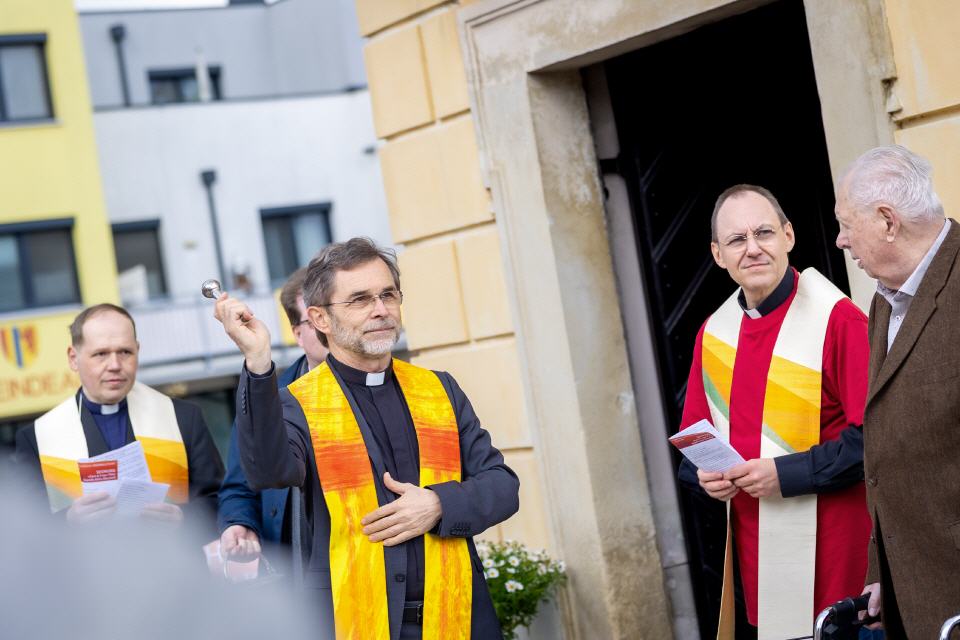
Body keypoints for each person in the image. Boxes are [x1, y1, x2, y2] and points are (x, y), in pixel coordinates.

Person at [214, 237, 519, 639]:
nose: (380, 310)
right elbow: (268, 473)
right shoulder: (298, 403)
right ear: (319, 319)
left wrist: (438, 504)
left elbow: (502, 486)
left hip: (456, 613)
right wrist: (257, 362)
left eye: (388, 295)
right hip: (351, 619)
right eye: (360, 299)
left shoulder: (439, 389)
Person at [679, 185, 872, 639]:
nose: (752, 248)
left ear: (788, 235)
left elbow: (876, 438)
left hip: (842, 562)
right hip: (764, 565)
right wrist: (703, 477)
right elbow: (693, 440)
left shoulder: (838, 320)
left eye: (763, 232)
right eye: (736, 240)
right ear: (717, 254)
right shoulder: (714, 333)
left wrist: (784, 475)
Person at [835, 144, 960, 639]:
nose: (842, 240)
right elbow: (889, 456)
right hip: (913, 595)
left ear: (888, 221)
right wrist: (881, 572)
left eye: (848, 223)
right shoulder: (884, 303)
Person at [14, 304, 223, 529]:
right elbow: (26, 530)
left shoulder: (183, 417)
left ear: (137, 351)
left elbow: (220, 500)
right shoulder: (38, 437)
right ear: (73, 358)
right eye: (100, 354)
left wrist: (185, 518)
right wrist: (68, 521)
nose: (115, 365)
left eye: (125, 352)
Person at [218, 267, 328, 565]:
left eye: (333, 314)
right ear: (297, 334)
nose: (329, 327)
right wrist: (241, 524)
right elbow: (240, 487)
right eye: (316, 318)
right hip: (298, 570)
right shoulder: (266, 396)